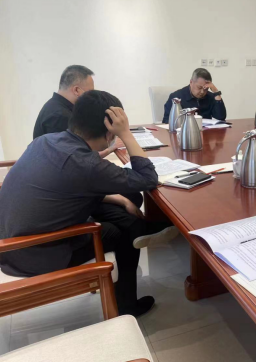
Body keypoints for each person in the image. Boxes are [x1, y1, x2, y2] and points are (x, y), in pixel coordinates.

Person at [0, 90, 179, 317]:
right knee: (121, 234)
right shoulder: (85, 164)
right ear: (109, 131)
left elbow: (71, 187)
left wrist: (120, 198)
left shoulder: (45, 141)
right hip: (34, 252)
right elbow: (148, 178)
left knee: (127, 200)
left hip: (10, 239)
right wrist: (126, 134)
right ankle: (127, 305)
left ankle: (142, 228)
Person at [33, 65, 122, 158]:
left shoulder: (54, 106)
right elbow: (77, 159)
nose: (93, 97)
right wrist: (110, 147)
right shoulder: (60, 116)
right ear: (76, 90)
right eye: (90, 92)